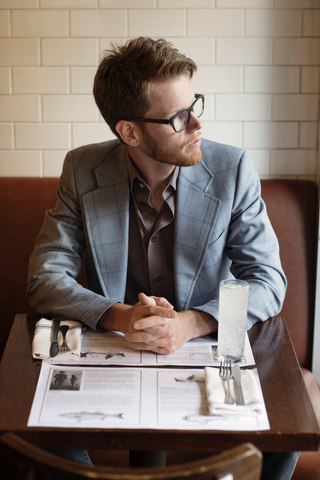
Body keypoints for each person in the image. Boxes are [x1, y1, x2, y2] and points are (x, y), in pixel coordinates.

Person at [27, 37, 298, 478]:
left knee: (290, 416)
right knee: (37, 432)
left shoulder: (233, 171)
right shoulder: (82, 170)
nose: (197, 124)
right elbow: (44, 276)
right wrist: (118, 316)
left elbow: (267, 279)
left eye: (195, 105)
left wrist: (191, 323)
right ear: (129, 132)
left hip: (208, 357)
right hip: (114, 356)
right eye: (178, 117)